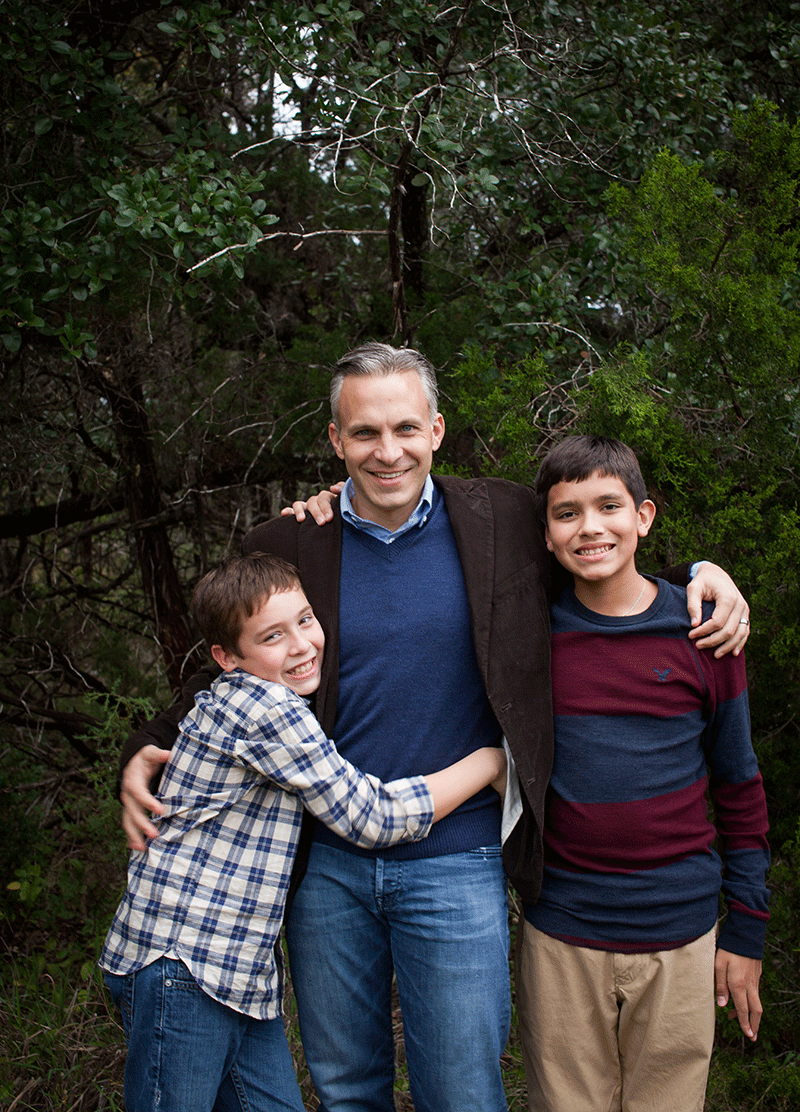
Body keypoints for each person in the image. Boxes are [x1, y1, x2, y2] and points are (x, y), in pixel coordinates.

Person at [118, 343, 750, 1112]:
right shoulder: (291, 542)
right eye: (365, 434)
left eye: (406, 428)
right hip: (327, 866)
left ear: (438, 430)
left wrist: (700, 577)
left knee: (462, 1092)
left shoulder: (506, 518)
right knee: (349, 1089)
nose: (388, 451)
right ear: (335, 440)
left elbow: (605, 560)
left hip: (458, 859)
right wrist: (144, 749)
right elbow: (232, 664)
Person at [100, 552, 506, 1112]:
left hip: (236, 974)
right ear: (227, 658)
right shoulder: (267, 708)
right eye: (272, 636)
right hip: (185, 964)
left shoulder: (258, 695)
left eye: (306, 620)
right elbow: (372, 816)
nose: (301, 645)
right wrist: (491, 761)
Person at [515, 434, 769, 1112]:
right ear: (544, 535)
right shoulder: (527, 639)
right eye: (567, 513)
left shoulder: (704, 635)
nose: (591, 527)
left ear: (644, 517)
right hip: (561, 931)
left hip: (681, 933)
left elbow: (739, 788)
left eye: (609, 506)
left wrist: (746, 928)